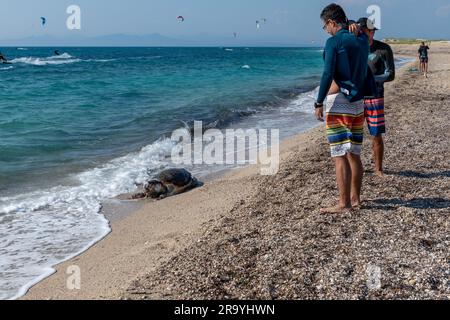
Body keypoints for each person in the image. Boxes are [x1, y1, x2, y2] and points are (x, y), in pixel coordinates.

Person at [314, 3, 369, 214]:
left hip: (340, 103)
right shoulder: (361, 39)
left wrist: (318, 102)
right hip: (358, 103)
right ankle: (355, 199)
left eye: (324, 26)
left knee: (339, 155)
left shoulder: (333, 42)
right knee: (354, 153)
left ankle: (343, 203)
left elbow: (328, 74)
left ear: (330, 22)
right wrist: (354, 25)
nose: (325, 30)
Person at [349, 18, 395, 178]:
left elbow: (390, 75)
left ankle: (378, 168)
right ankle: (356, 168)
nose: (371, 32)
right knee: (353, 135)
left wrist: (370, 79)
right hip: (355, 98)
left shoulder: (383, 49)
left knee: (376, 134)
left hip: (375, 97)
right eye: (367, 30)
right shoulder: (353, 48)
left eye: (373, 30)